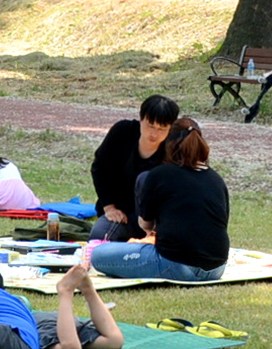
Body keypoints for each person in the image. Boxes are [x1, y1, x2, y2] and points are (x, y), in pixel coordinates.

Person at [91, 118, 228, 282]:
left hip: (177, 264)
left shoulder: (159, 175)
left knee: (99, 254)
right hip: (217, 268)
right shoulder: (216, 179)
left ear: (169, 144)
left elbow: (146, 225)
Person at [89, 95, 179, 243]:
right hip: (121, 214)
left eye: (162, 129)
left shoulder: (174, 147)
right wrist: (109, 207)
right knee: (99, 238)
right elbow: (100, 168)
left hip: (156, 220)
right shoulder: (123, 132)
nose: (154, 134)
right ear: (141, 119)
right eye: (150, 126)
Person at [41, 262, 126, 349]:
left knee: (115, 341)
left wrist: (88, 289)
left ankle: (85, 288)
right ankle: (68, 290)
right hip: (41, 325)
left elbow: (116, 343)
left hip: (53, 323)